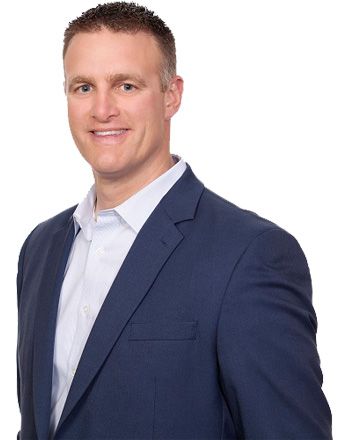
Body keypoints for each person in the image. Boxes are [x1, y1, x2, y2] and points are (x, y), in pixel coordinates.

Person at [16, 2, 332, 439]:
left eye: (126, 86)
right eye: (83, 87)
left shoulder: (249, 255)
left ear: (171, 95)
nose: (101, 109)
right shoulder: (41, 248)